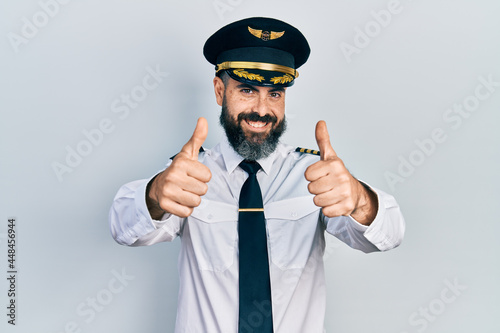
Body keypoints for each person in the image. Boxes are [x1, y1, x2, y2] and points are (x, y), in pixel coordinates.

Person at [109, 17, 405, 333]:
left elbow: (388, 234)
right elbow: (124, 227)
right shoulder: (189, 174)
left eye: (275, 93)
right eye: (248, 89)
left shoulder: (316, 175)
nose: (262, 110)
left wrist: (360, 200)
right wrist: (156, 194)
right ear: (220, 91)